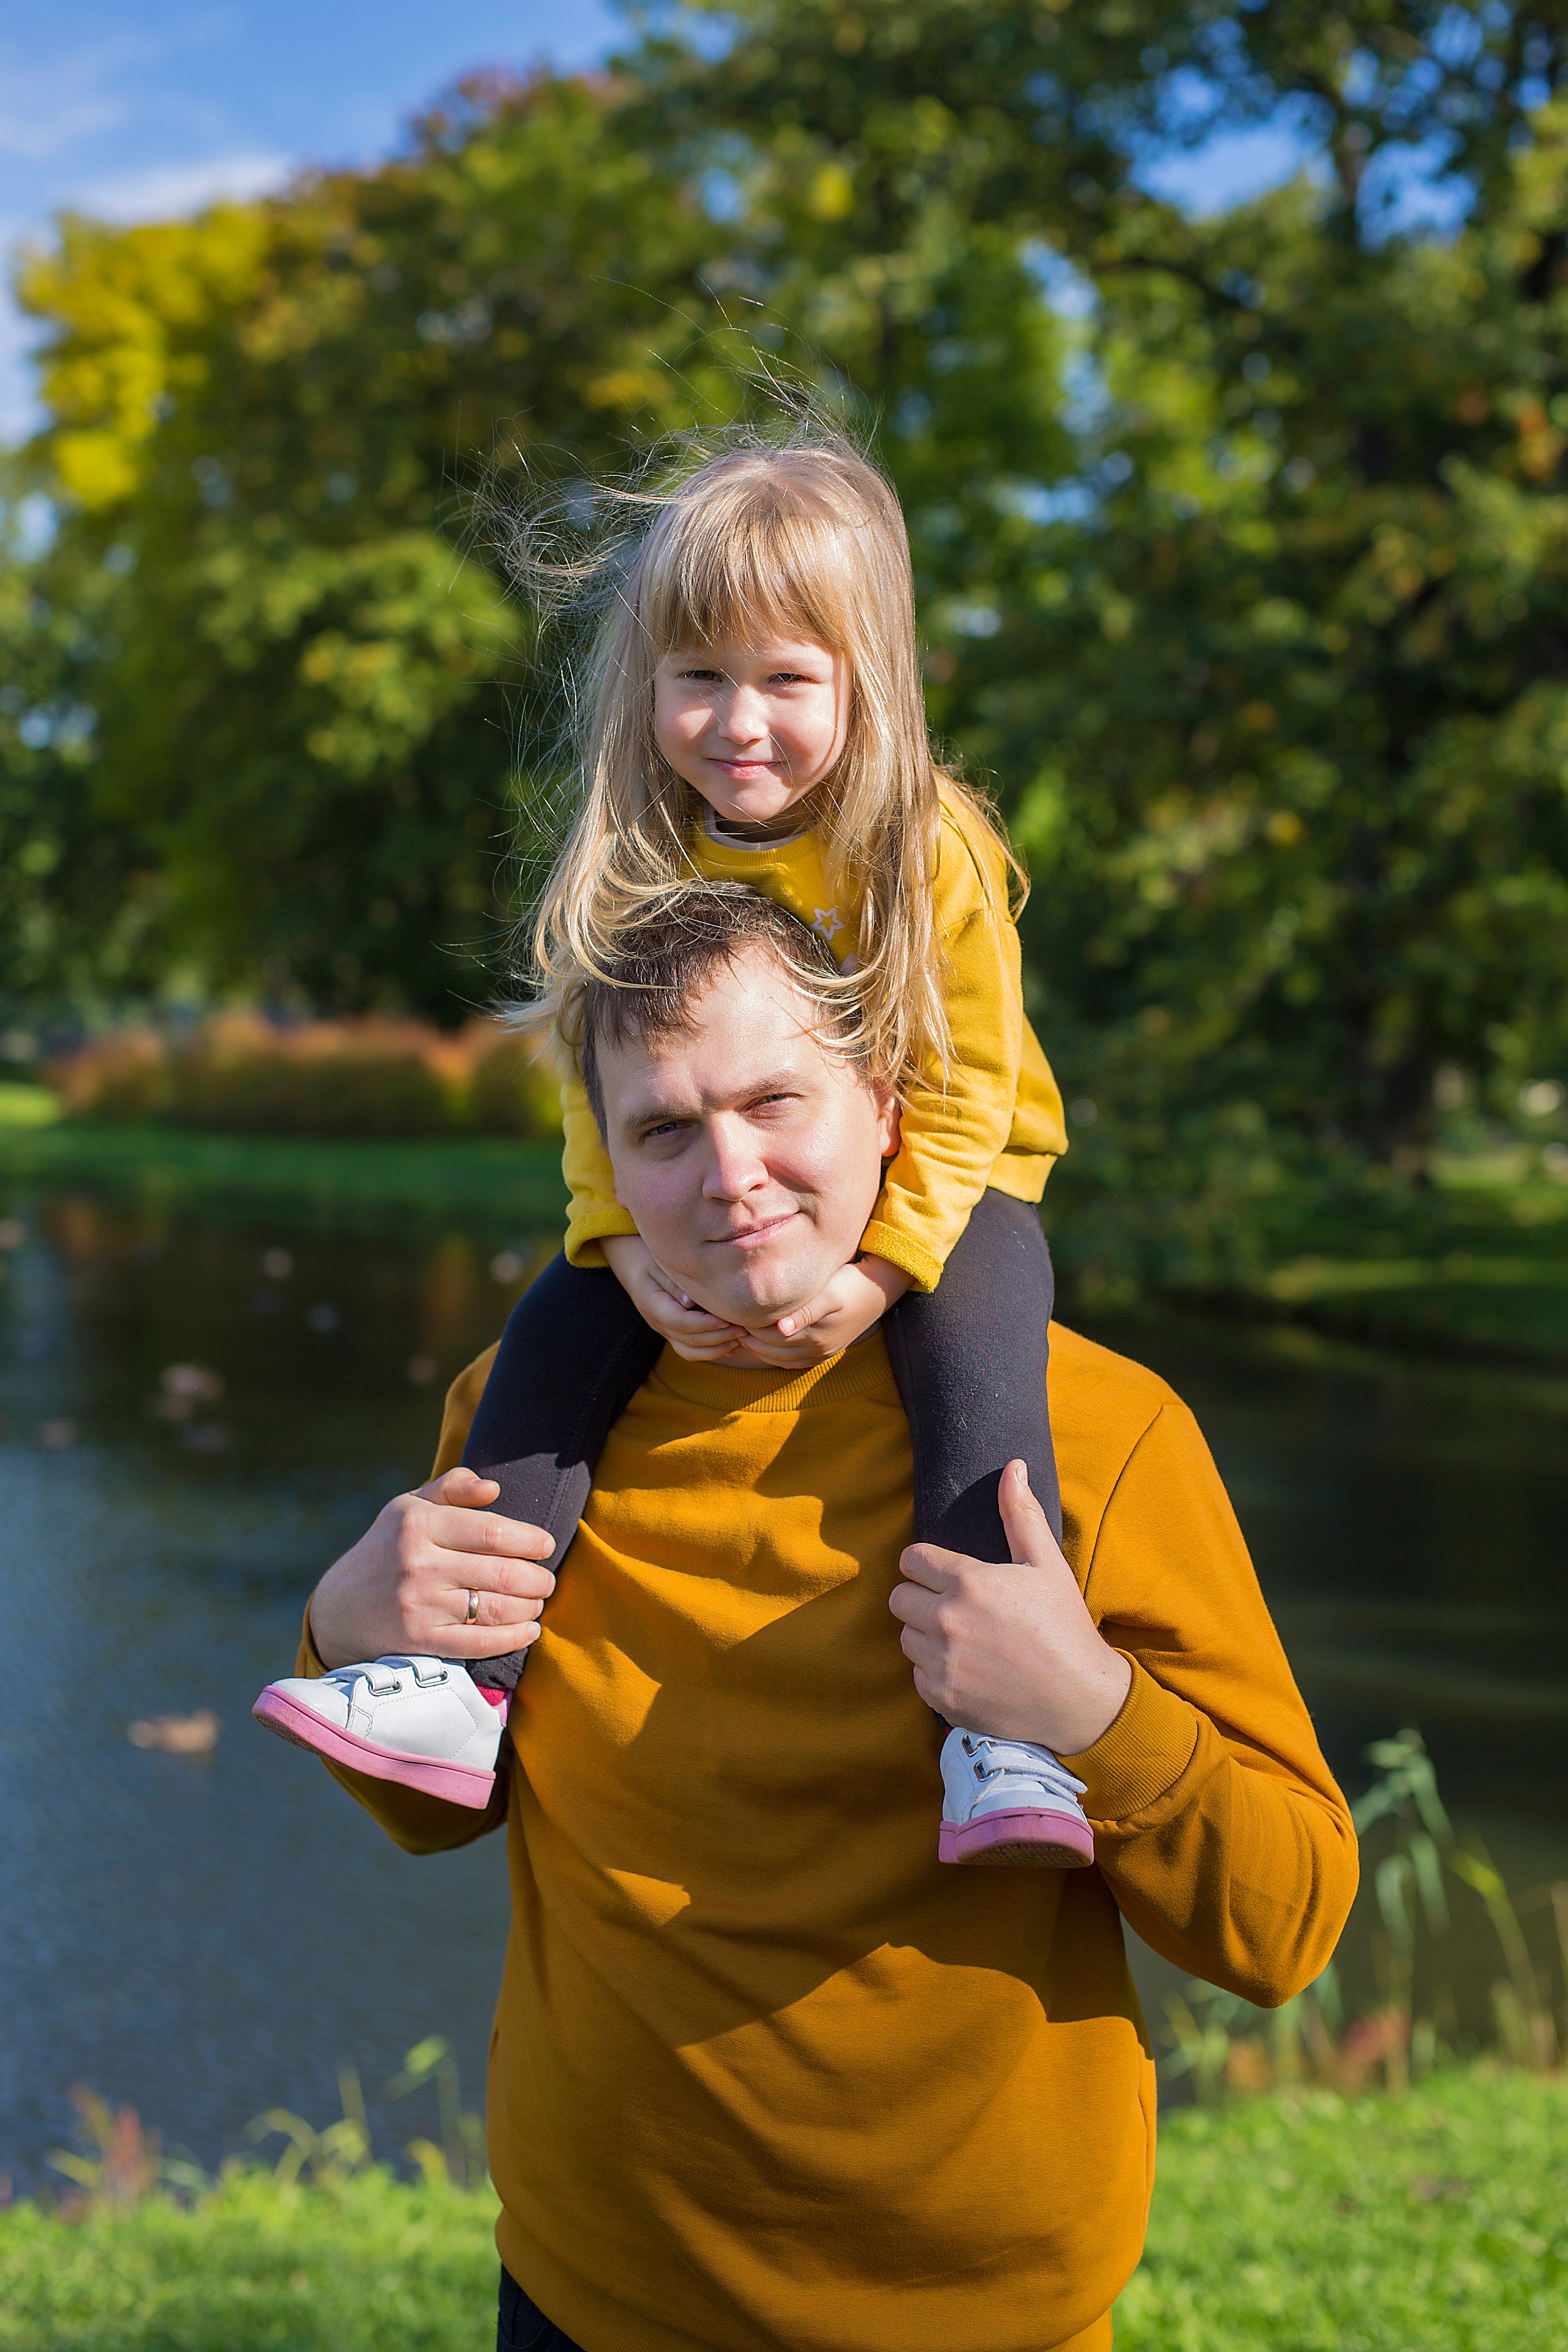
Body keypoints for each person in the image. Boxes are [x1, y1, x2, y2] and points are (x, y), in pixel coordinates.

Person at [266, 889, 1358, 2352]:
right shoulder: (522, 1425)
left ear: (889, 1100)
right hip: (592, 2293)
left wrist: (1092, 1714)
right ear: (605, 1160)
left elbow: (1285, 1926)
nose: (731, 1175)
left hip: (981, 2318)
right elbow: (433, 1812)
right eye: (662, 1130)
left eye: (776, 1099)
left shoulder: (1096, 1435)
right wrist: (345, 1630)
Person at [257, 424, 1093, 1864]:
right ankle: (463, 1682)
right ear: (645, 686)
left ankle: (1003, 1728)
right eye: (696, 679)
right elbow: (595, 1089)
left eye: (785, 680)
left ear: (865, 683)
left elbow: (966, 1093)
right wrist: (623, 1244)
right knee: (551, 1343)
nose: (736, 722)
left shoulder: (922, 847)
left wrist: (886, 1270)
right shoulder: (637, 854)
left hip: (953, 1195)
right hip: (684, 1225)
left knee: (980, 1375)